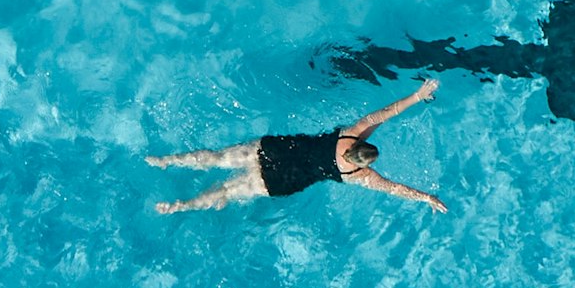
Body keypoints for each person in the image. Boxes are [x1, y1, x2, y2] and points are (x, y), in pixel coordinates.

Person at [148, 79, 449, 215]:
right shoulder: (357, 175)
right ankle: (181, 206)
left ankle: (167, 160)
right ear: (364, 162)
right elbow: (395, 188)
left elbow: (385, 112)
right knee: (226, 192)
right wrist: (427, 198)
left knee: (216, 158)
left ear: (362, 143)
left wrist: (418, 95)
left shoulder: (352, 133)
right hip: (280, 180)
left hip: (277, 150)